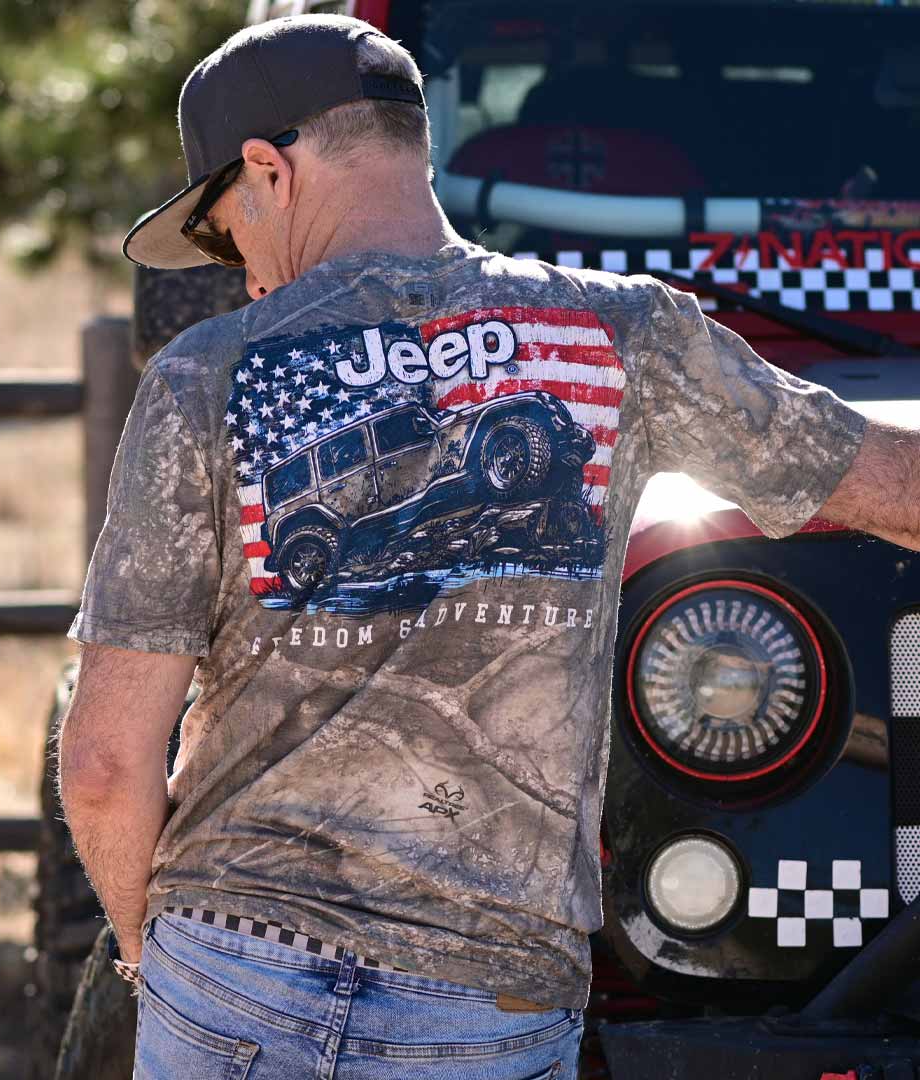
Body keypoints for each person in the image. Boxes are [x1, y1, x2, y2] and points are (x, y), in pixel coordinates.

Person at [57, 13, 918, 1080]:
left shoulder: (203, 376)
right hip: (487, 998)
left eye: (225, 228)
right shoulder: (628, 335)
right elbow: (896, 486)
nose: (242, 274)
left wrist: (159, 956)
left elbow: (103, 766)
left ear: (270, 171)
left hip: (232, 974)